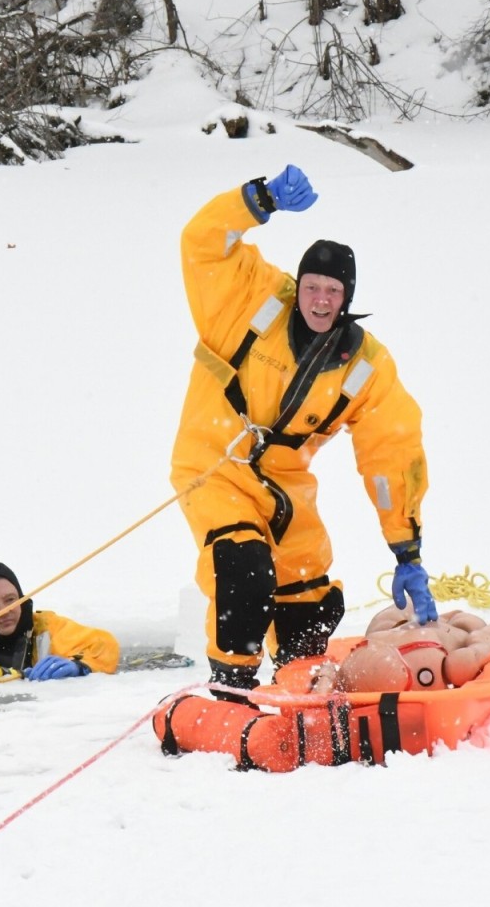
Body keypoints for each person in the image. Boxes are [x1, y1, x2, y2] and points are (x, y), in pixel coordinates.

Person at [171, 164, 438, 702]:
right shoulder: (250, 297)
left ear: (346, 297)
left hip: (285, 488)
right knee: (243, 568)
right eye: (311, 286)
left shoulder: (366, 365)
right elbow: (202, 243)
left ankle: (300, 688)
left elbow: (392, 452)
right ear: (299, 287)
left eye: (331, 291)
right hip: (215, 465)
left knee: (310, 596)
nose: (319, 300)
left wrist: (405, 549)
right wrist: (258, 199)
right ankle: (232, 692)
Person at [310, 607, 490, 694]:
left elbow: (330, 670)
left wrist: (327, 677)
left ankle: (329, 681)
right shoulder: (460, 631)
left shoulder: (387, 632)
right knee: (466, 651)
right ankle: (485, 634)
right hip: (418, 660)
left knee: (342, 677)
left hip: (369, 653)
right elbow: (467, 658)